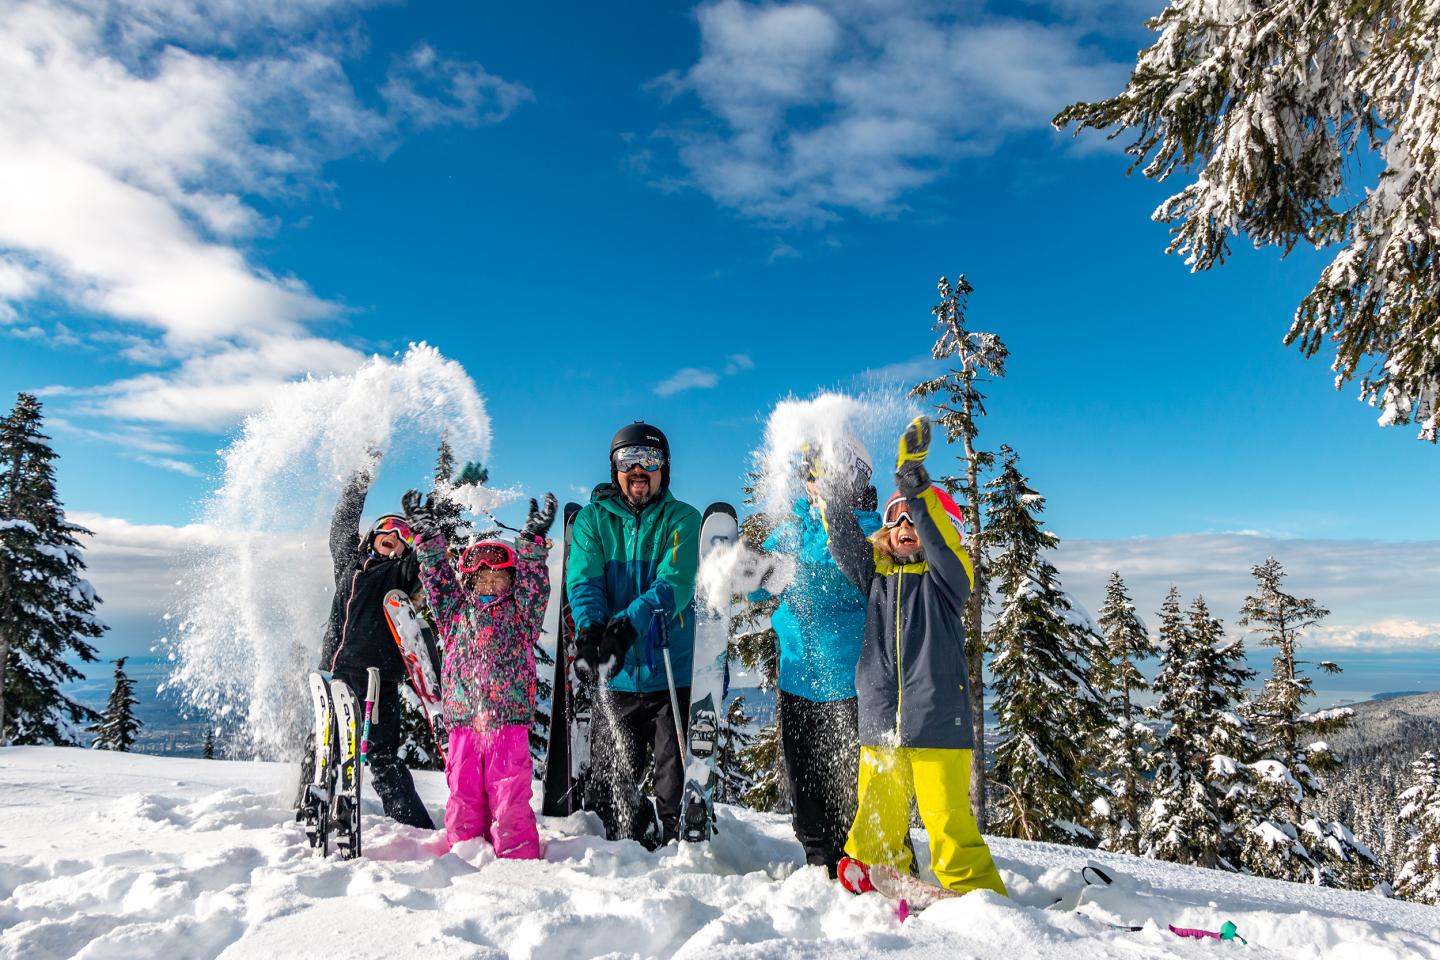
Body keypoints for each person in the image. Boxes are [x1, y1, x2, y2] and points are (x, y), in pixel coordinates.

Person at [821, 416, 1007, 897]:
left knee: (947, 818)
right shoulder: (876, 578)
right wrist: (830, 487)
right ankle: (877, 868)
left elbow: (942, 547)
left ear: (941, 527)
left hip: (937, 720)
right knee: (876, 810)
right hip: (881, 716)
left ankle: (975, 892)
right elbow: (844, 539)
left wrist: (914, 486)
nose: (905, 524)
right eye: (896, 517)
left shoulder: (949, 580)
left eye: (915, 518)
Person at [748, 437, 879, 877]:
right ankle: (820, 868)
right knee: (806, 797)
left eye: (826, 471)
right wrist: (742, 568)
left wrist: (800, 560)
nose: (814, 481)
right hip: (797, 680)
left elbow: (856, 570)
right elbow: (755, 588)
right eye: (809, 472)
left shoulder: (870, 531)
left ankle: (866, 868)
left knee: (852, 796)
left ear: (853, 477)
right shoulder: (792, 531)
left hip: (849, 686)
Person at [567, 421, 701, 847]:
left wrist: (625, 627)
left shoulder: (683, 519)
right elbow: (585, 582)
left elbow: (674, 583)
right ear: (614, 469)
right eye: (628, 460)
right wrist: (591, 629)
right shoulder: (593, 521)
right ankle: (638, 839)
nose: (638, 468)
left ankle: (681, 862)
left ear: (665, 468)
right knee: (609, 794)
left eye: (650, 459)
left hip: (671, 675)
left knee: (675, 791)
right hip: (619, 679)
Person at [405, 490, 556, 857]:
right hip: (464, 722)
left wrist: (531, 544)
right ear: (470, 580)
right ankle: (463, 853)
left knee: (509, 794)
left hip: (507, 721)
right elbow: (438, 579)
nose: (489, 583)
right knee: (463, 793)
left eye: (498, 577)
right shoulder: (454, 613)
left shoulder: (522, 615)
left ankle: (516, 857)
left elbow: (535, 586)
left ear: (511, 580)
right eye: (482, 577)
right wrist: (427, 538)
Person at [321, 474, 435, 830]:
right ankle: (313, 806)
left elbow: (426, 565)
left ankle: (413, 826)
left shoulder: (401, 574)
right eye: (389, 530)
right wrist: (359, 479)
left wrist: (427, 528)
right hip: (336, 675)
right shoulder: (349, 565)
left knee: (382, 757)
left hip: (378, 681)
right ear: (372, 536)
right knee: (325, 748)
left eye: (404, 537)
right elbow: (341, 528)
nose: (396, 537)